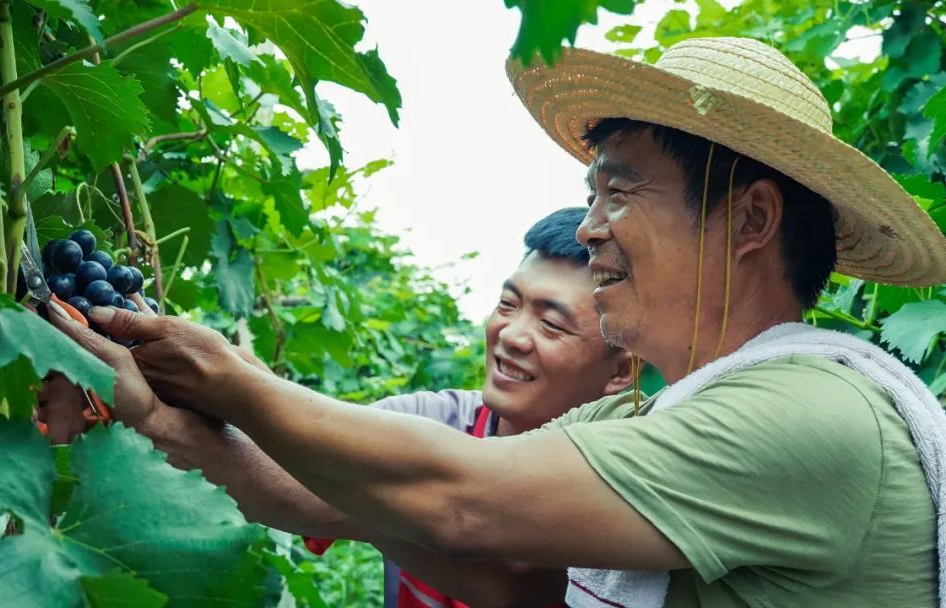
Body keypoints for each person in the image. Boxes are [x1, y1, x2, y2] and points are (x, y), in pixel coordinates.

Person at [50, 37, 946, 606]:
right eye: (590, 196)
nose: (592, 228)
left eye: (622, 191)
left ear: (751, 221)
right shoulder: (639, 417)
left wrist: (234, 381)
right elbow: (501, 572)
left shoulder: (811, 415)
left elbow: (462, 504)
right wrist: (167, 417)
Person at [41, 208, 633, 607]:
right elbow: (290, 460)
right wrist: (168, 396)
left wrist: (202, 395)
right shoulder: (427, 420)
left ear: (622, 371)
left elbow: (506, 574)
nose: (512, 335)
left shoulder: (627, 468)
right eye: (509, 303)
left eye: (552, 324)